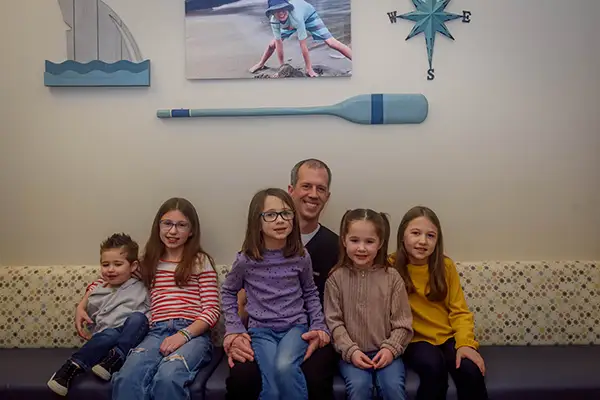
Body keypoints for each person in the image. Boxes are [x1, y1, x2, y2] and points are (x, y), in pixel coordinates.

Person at [225, 158, 340, 400]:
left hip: (307, 329)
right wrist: (234, 332)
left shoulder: (331, 247)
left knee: (306, 374)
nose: (313, 194)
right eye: (306, 186)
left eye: (320, 188)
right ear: (291, 191)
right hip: (262, 330)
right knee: (245, 375)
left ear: (327, 196)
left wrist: (321, 329)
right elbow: (239, 292)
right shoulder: (251, 254)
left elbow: (317, 293)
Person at [110, 197, 221, 400]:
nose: (173, 231)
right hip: (156, 332)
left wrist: (183, 335)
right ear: (158, 226)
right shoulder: (148, 262)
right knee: (127, 378)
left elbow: (212, 310)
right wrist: (84, 303)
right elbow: (113, 277)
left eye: (181, 225)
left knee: (168, 378)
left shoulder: (200, 261)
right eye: (167, 224)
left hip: (192, 334)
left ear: (191, 231)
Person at [389, 205, 489, 400]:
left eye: (430, 236)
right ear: (402, 235)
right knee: (433, 367)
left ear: (437, 241)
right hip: (413, 339)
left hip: (447, 336)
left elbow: (459, 311)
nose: (422, 241)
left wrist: (465, 344)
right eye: (415, 233)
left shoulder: (445, 266)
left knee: (470, 369)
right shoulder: (390, 266)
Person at [324, 209, 413, 400]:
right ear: (344, 240)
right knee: (359, 387)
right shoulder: (335, 278)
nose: (361, 248)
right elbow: (333, 322)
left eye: (369, 241)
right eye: (355, 240)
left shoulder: (393, 278)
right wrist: (351, 351)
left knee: (393, 388)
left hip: (386, 353)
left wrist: (390, 349)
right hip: (351, 355)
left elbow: (403, 323)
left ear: (380, 243)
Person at [47, 233, 150, 397]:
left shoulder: (141, 287)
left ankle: (116, 358)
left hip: (131, 340)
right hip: (105, 340)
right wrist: (82, 305)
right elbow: (94, 320)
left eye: (117, 264)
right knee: (109, 334)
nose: (110, 269)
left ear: (133, 266)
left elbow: (152, 267)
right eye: (105, 264)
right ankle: (71, 368)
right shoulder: (97, 291)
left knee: (138, 318)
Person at [250, 0, 352, 77]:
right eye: (277, 10)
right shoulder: (274, 20)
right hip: (289, 23)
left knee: (331, 42)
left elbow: (303, 45)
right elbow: (279, 43)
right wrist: (282, 66)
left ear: (287, 8)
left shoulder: (296, 17)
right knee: (272, 44)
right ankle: (261, 63)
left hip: (308, 16)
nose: (280, 13)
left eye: (282, 9)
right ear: (272, 12)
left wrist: (309, 68)